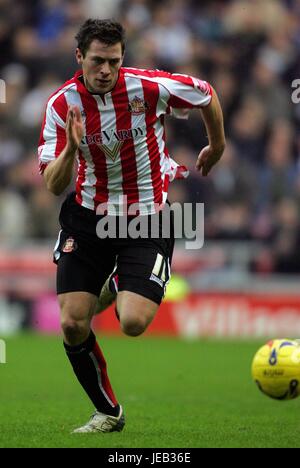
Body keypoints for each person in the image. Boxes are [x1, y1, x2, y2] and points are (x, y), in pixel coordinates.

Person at [38, 18, 225, 434]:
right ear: (79, 58)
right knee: (71, 322)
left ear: (123, 58)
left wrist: (218, 145)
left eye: (114, 61)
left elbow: (206, 94)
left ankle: (118, 282)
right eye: (97, 61)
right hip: (88, 218)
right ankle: (108, 412)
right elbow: (52, 184)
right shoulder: (59, 105)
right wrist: (71, 147)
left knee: (134, 323)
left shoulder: (148, 86)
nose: (106, 70)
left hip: (148, 217)